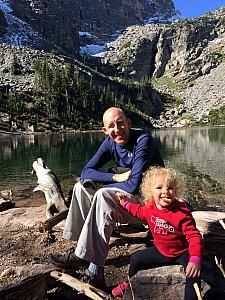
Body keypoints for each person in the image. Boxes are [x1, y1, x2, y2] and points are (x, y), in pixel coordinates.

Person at [51, 107, 164, 289]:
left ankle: (95, 271)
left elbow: (134, 186)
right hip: (128, 197)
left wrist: (104, 186)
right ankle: (79, 248)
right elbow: (85, 172)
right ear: (105, 130)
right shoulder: (109, 143)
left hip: (148, 204)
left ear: (129, 123)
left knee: (103, 195)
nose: (117, 129)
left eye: (120, 123)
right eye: (111, 126)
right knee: (81, 187)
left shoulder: (143, 140)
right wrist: (114, 177)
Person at [112, 167, 203, 299]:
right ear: (150, 191)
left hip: (182, 252)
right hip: (162, 251)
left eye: (170, 188)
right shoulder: (150, 207)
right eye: (159, 188)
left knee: (193, 274)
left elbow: (194, 236)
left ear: (176, 191)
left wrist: (195, 259)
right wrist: (125, 203)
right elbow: (138, 211)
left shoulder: (182, 213)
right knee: (135, 258)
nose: (165, 191)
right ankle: (129, 282)